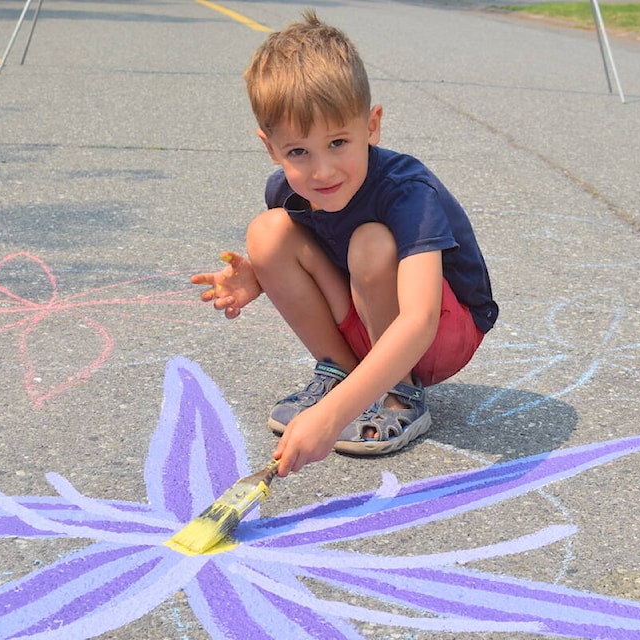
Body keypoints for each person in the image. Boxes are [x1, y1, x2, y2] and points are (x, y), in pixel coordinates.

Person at [191, 10, 497, 477]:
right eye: (299, 151)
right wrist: (260, 274)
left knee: (371, 242)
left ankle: (400, 393)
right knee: (267, 232)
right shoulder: (286, 191)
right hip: (368, 315)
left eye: (338, 142)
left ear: (371, 126)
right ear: (271, 147)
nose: (323, 171)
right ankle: (340, 372)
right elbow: (313, 257)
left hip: (440, 333)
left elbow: (419, 318)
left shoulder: (408, 191)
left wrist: (331, 420)